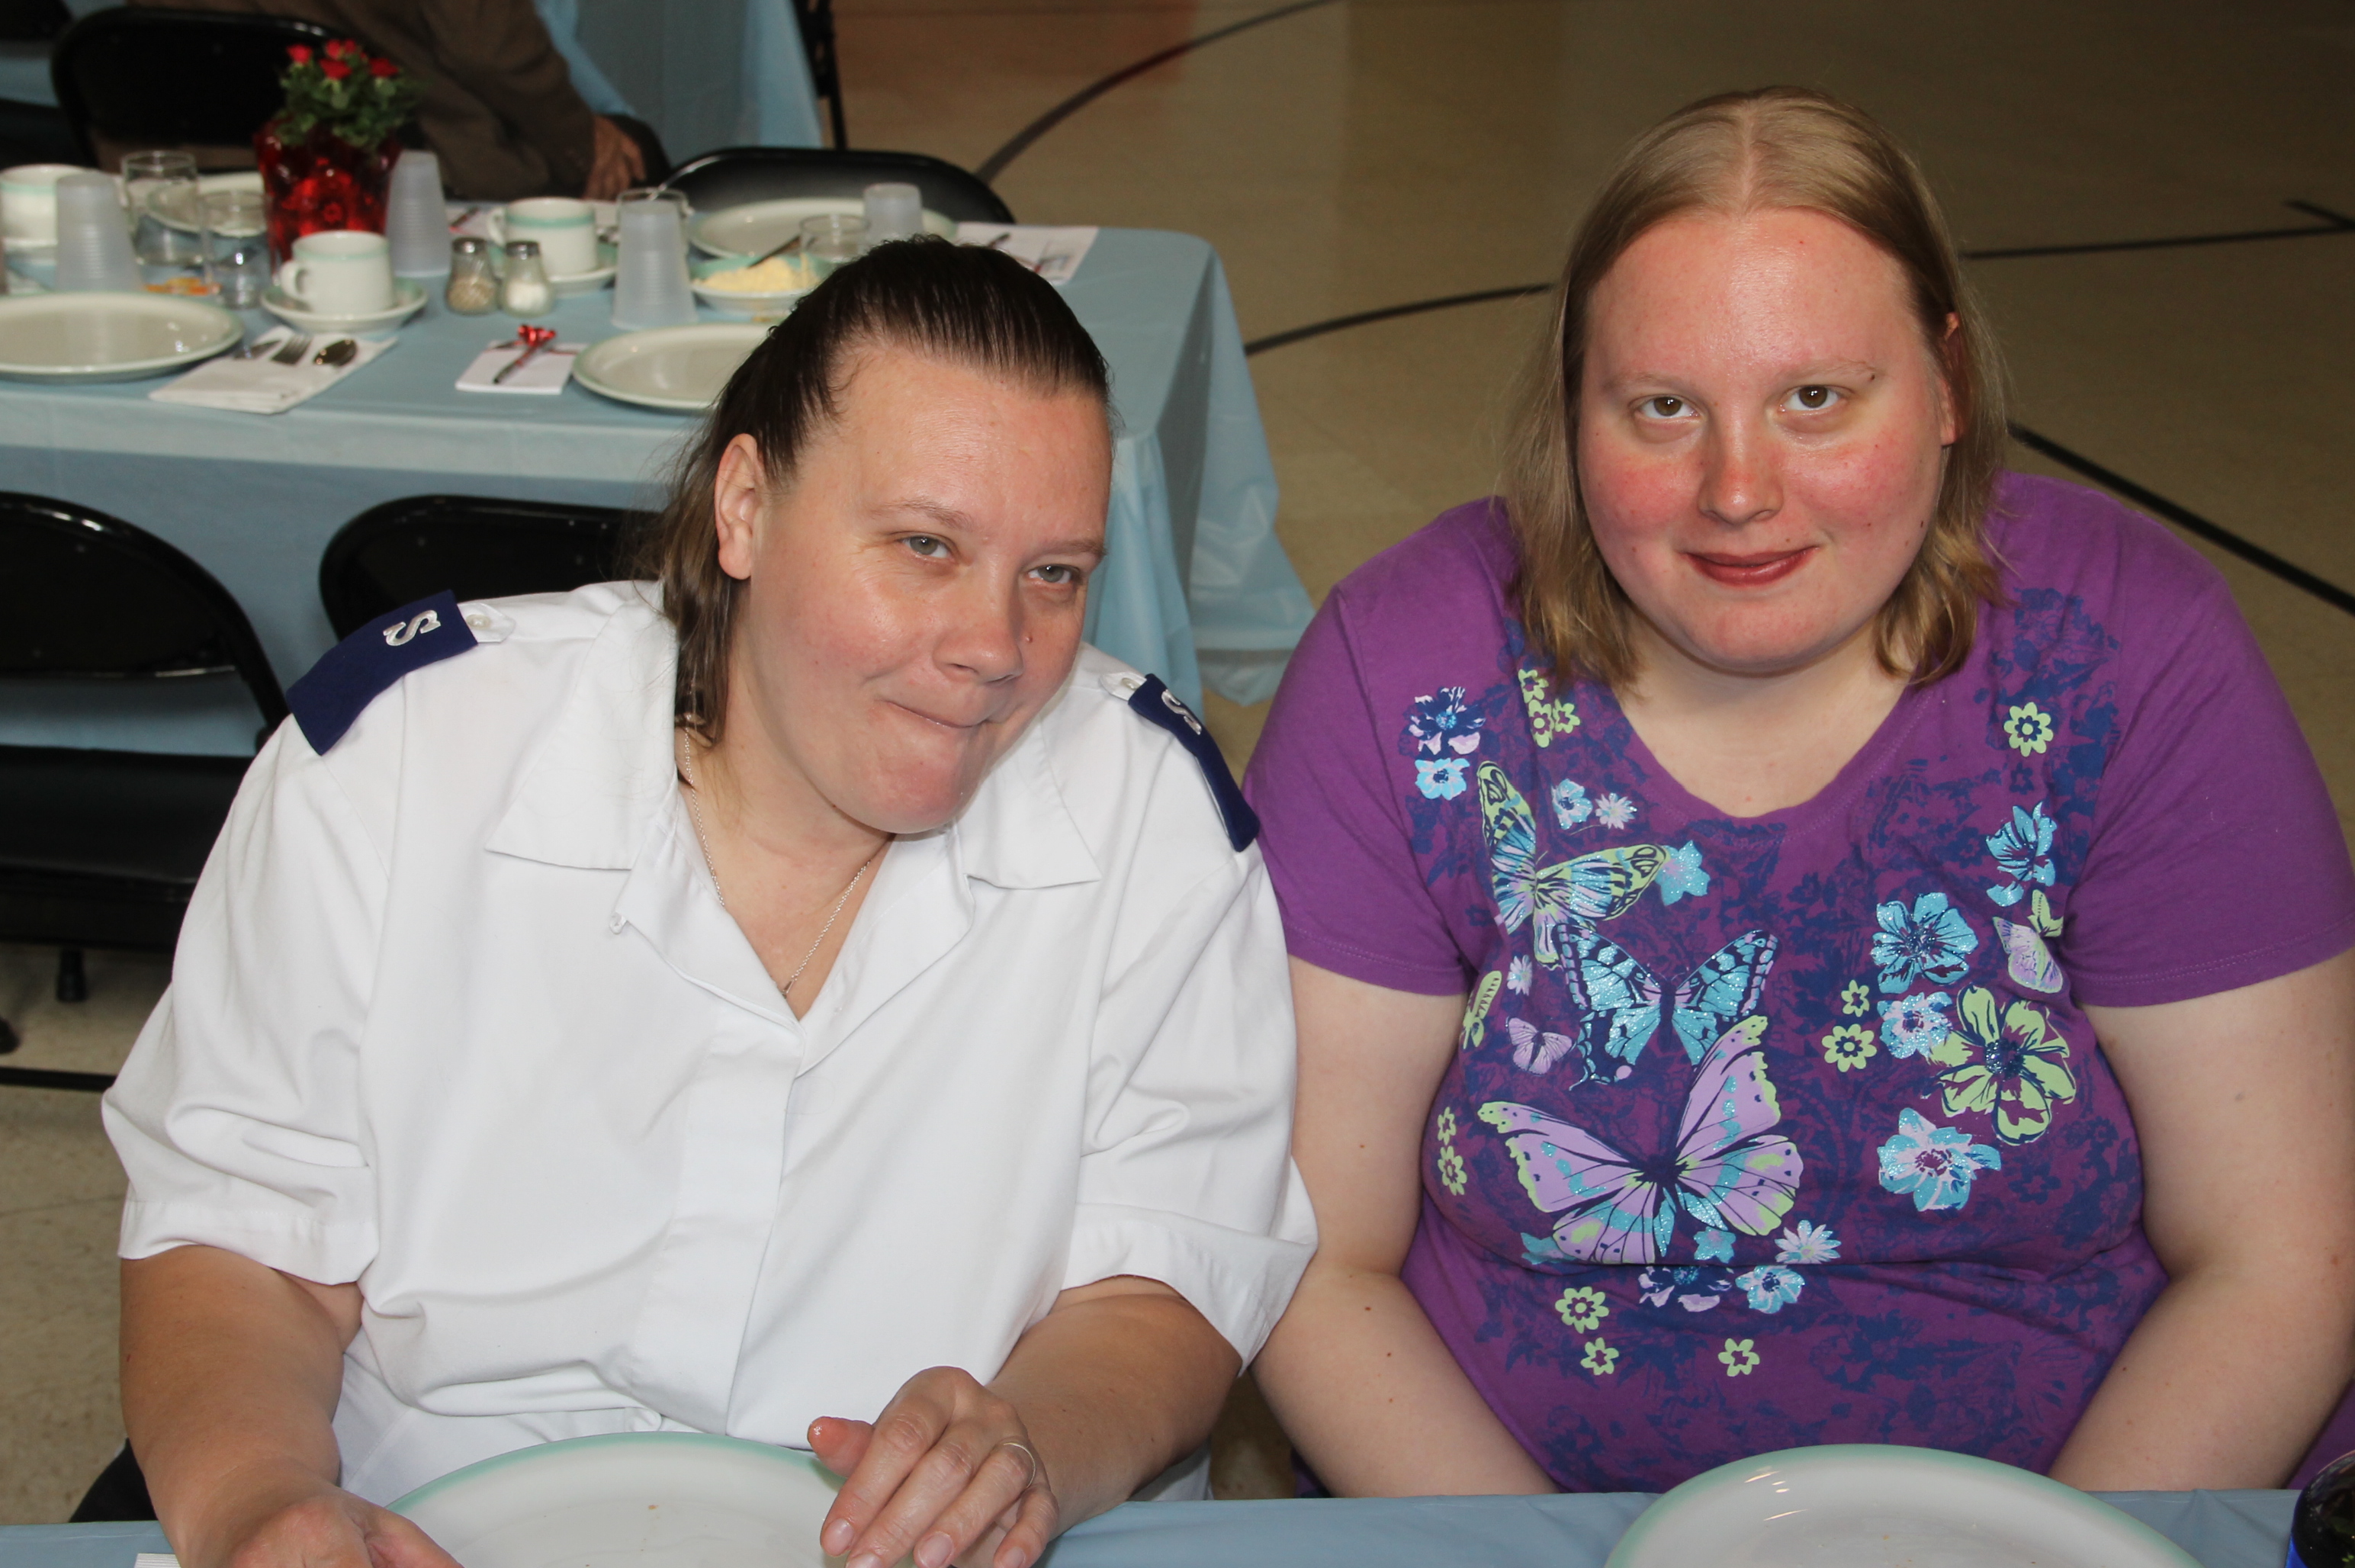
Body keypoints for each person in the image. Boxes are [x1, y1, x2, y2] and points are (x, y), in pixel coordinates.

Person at [103, 236, 1313, 1568]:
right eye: (924, 546)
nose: (993, 647)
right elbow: (244, 1238)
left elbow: (1171, 1277)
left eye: (1055, 574)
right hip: (428, 1524)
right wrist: (257, 1499)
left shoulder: (1150, 817)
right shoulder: (400, 763)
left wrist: (1025, 1443)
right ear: (743, 507)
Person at [1243, 86, 2355, 1496]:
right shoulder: (1405, 670)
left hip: (2097, 1504)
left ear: (1947, 385)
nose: (1737, 489)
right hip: (1516, 1514)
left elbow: (2280, 1256)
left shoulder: (2128, 654)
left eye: (1815, 399)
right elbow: (1311, 1258)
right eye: (1661, 408)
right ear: (1572, 412)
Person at [131, 0, 660, 198]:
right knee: (640, 159)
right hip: (402, 173)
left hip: (201, 170)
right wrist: (581, 142)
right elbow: (491, 52)